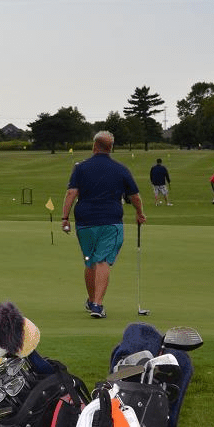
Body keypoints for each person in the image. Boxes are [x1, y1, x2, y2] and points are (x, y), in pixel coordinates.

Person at [61, 131, 146, 319]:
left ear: (94, 146)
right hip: (110, 221)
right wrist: (140, 214)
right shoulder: (121, 169)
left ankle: (92, 301)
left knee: (90, 261)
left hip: (84, 221)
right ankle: (97, 305)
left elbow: (71, 193)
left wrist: (64, 218)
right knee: (102, 260)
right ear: (111, 148)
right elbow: (135, 196)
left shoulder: (80, 168)